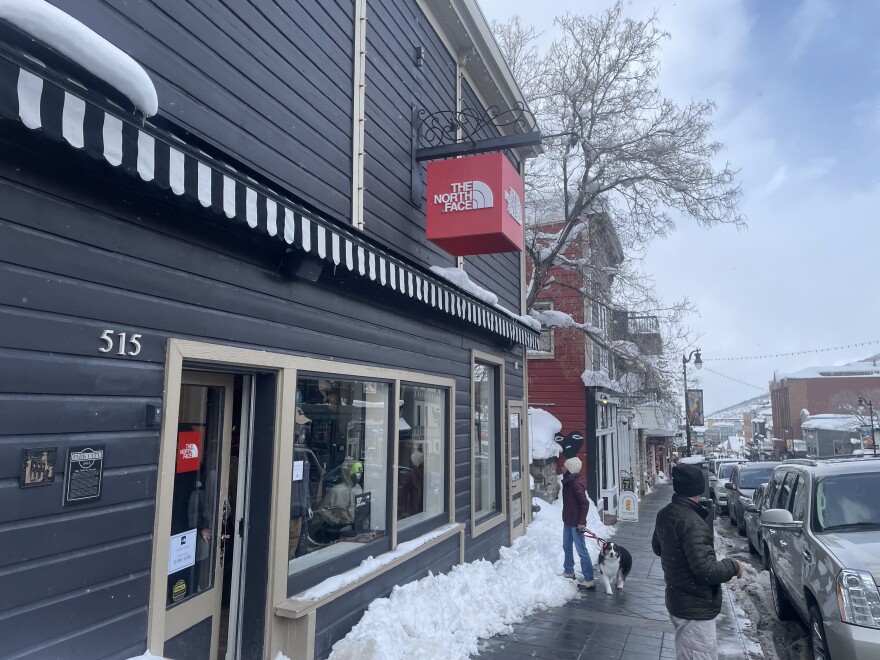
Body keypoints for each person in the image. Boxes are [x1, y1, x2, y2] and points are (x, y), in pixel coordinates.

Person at [652, 463, 743, 659]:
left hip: (678, 600)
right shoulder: (693, 522)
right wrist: (734, 566)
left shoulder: (665, 513)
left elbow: (657, 547)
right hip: (695, 608)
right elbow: (707, 570)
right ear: (699, 488)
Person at [560, 456, 595, 588]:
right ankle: (569, 571)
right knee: (566, 546)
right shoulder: (568, 482)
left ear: (569, 469)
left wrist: (581, 522)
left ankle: (589, 579)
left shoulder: (575, 484)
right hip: (568, 520)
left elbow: (584, 504)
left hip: (576, 523)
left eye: (564, 466)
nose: (562, 468)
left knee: (581, 550)